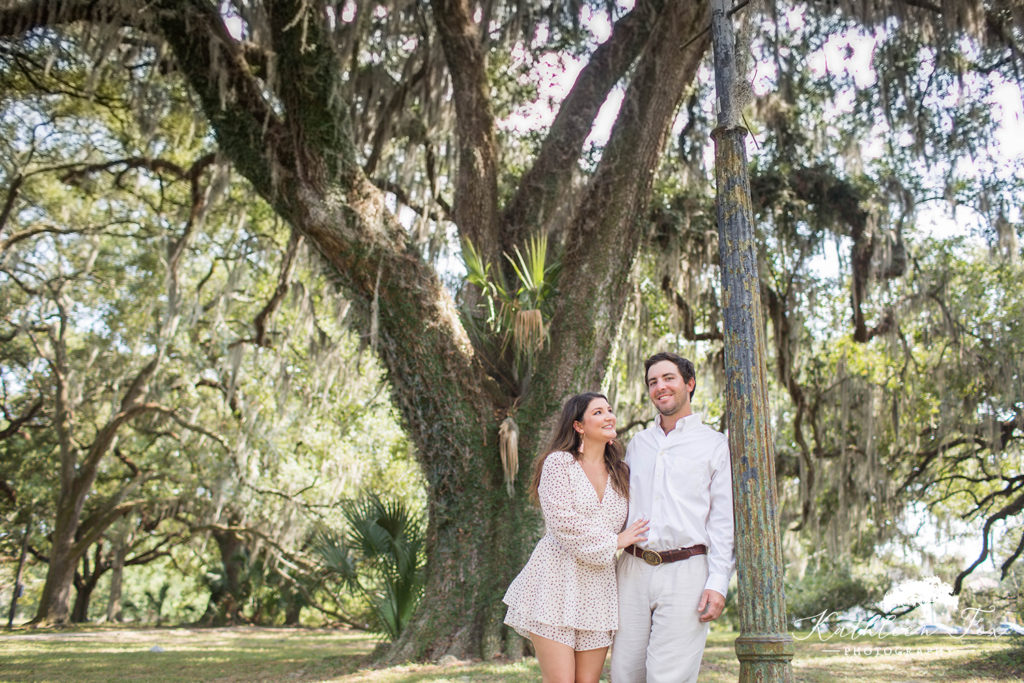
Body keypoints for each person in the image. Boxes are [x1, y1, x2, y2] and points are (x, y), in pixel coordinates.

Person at [503, 392, 650, 683]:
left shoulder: (621, 472)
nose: (609, 416)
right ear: (578, 425)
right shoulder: (559, 463)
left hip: (598, 588)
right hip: (556, 583)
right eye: (598, 412)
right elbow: (563, 523)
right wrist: (616, 542)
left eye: (609, 409)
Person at [610, 352, 735, 683]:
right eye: (653, 382)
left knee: (669, 677)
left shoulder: (715, 445)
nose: (660, 387)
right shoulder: (638, 444)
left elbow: (723, 521)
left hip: (687, 571)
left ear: (689, 384)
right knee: (624, 674)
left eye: (668, 378)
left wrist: (718, 581)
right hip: (632, 569)